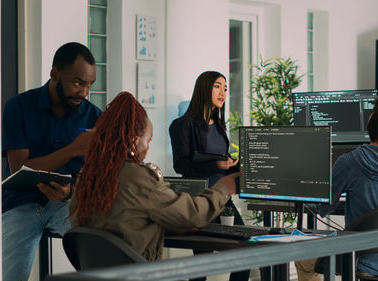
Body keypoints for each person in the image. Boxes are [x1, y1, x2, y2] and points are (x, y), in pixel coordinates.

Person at [68, 91, 239, 262]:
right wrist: (224, 188)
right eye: (148, 140)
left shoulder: (87, 175)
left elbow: (124, 221)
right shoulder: (138, 177)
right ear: (135, 141)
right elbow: (193, 214)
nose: (148, 148)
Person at [295, 96, 378, 281]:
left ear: (372, 121)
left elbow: (323, 207)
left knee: (302, 260)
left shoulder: (349, 162)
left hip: (356, 259)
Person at [2, 42, 102, 281]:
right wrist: (73, 149)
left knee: (100, 261)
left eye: (89, 85)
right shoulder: (18, 107)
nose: (84, 92)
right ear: (55, 73)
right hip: (21, 203)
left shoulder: (96, 117)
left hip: (67, 205)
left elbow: (97, 175)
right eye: (78, 82)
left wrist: (72, 191)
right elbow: (19, 168)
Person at [169, 71, 249, 281]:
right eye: (217, 86)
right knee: (201, 263)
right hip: (200, 199)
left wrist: (236, 165)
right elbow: (181, 166)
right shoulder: (182, 125)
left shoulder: (219, 126)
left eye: (225, 88)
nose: (223, 92)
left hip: (223, 197)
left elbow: (221, 166)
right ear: (204, 88)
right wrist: (215, 163)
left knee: (246, 250)